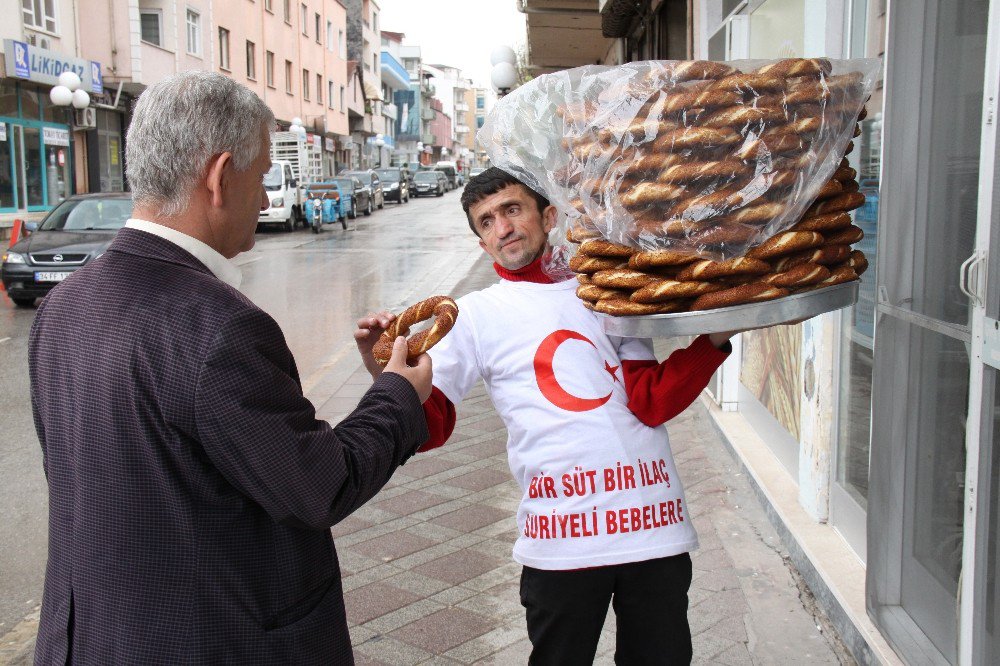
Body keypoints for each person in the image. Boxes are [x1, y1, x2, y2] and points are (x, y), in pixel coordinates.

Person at [29, 71, 432, 665]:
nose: (267, 200)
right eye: (263, 177)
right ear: (220, 176)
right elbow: (319, 485)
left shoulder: (65, 304)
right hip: (214, 641)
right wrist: (399, 393)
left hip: (89, 639)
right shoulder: (218, 324)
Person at [356, 168, 738, 665]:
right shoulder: (475, 315)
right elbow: (431, 428)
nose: (503, 227)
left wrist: (713, 339)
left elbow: (651, 402)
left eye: (512, 209)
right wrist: (381, 368)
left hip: (651, 525)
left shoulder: (604, 290)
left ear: (548, 215)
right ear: (482, 244)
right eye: (486, 222)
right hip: (562, 540)